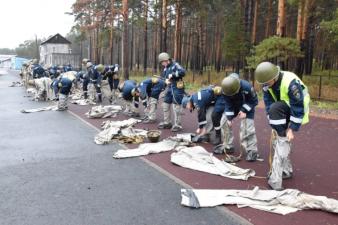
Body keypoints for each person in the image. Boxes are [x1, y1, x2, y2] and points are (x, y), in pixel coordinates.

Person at [254, 61, 310, 190]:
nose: (265, 86)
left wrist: (292, 128)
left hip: (298, 107)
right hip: (281, 108)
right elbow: (268, 103)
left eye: (267, 83)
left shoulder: (290, 83)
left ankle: (276, 178)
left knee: (282, 139)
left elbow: (298, 105)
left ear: (274, 78)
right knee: (278, 130)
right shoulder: (267, 83)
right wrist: (273, 124)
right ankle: (286, 170)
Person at [213, 73, 259, 162]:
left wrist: (244, 111)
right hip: (233, 106)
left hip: (247, 106)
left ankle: (252, 151)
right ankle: (228, 146)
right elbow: (227, 103)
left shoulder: (247, 87)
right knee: (224, 121)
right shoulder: (224, 89)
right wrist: (229, 118)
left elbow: (254, 101)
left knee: (247, 128)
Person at [157, 52, 186, 132]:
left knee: (176, 105)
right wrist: (166, 80)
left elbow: (183, 72)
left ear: (166, 60)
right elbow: (165, 77)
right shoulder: (166, 68)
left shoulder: (175, 65)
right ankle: (167, 123)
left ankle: (178, 125)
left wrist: (173, 74)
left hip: (177, 87)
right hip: (169, 87)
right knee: (165, 104)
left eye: (162, 62)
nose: (162, 64)